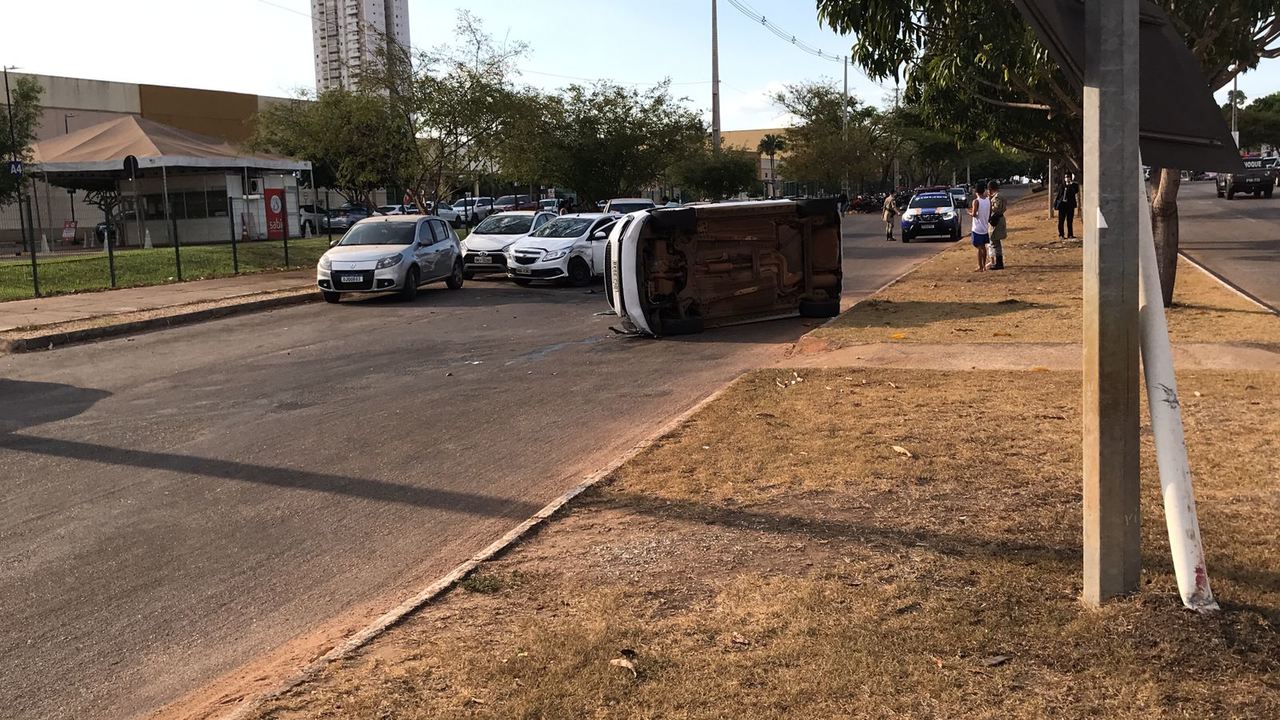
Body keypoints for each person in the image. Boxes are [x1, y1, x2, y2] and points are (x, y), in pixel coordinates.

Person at [969, 184, 992, 271]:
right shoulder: (988, 200)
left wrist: (969, 213)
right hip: (985, 227)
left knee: (979, 247)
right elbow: (989, 214)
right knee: (983, 247)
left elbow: (974, 214)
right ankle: (984, 265)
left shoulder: (976, 201)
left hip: (977, 228)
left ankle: (980, 266)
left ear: (976, 191)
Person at [986, 180, 1007, 270]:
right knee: (996, 242)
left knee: (995, 241)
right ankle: (998, 262)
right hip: (998, 219)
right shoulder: (999, 196)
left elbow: (997, 208)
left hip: (997, 220)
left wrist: (989, 203)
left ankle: (999, 263)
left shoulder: (997, 197)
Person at [1056, 172, 1080, 239]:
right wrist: (1056, 204)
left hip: (1070, 205)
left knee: (1070, 221)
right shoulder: (1062, 185)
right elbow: (1059, 195)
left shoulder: (1074, 185)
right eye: (1066, 177)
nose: (1067, 178)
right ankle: (1061, 235)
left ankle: (1070, 234)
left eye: (1068, 177)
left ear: (1070, 178)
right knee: (1061, 221)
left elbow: (1076, 191)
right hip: (1062, 206)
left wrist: (1071, 185)